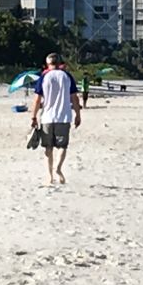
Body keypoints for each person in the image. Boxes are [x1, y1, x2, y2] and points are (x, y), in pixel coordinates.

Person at [30, 52, 81, 185]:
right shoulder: (67, 76)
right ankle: (58, 168)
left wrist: (33, 116)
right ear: (60, 63)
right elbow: (74, 98)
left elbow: (37, 99)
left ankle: (49, 175)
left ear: (47, 64)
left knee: (48, 147)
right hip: (64, 117)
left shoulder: (44, 77)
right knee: (62, 146)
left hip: (47, 117)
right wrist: (78, 115)